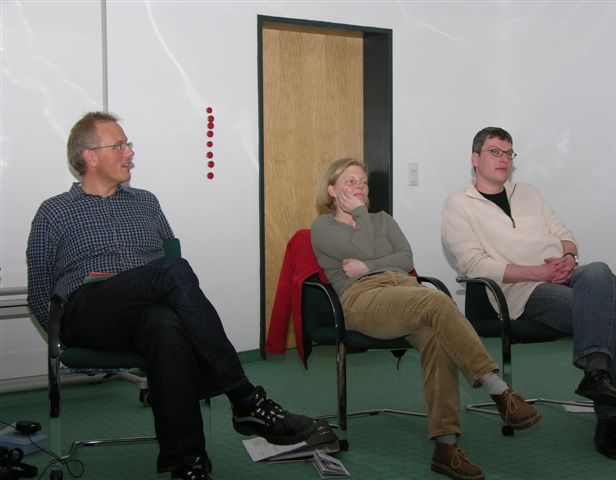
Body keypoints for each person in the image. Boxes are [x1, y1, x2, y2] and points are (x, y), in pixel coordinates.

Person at [26, 112, 318, 480]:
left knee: (164, 324)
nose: (130, 152)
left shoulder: (146, 202)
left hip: (143, 313)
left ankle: (187, 463)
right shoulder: (54, 211)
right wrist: (59, 336)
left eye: (128, 144)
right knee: (172, 270)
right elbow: (39, 290)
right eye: (119, 145)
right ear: (90, 156)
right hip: (86, 310)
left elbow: (166, 267)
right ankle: (245, 397)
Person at [310, 158, 541, 480]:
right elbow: (360, 248)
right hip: (360, 298)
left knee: (438, 339)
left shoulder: (383, 219)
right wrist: (361, 219)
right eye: (350, 182)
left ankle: (446, 448)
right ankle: (498, 389)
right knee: (435, 300)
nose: (359, 187)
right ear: (332, 190)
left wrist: (368, 265)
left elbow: (405, 260)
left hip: (404, 290)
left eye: (363, 181)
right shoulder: (323, 227)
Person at [442, 126, 616, 461]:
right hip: (519, 290)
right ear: (475, 158)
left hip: (562, 274)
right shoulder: (459, 205)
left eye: (508, 153)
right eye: (495, 152)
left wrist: (568, 258)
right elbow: (474, 264)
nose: (503, 159)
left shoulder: (529, 193)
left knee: (600, 273)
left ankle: (597, 375)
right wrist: (540, 273)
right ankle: (611, 415)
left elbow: (564, 233)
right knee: (597, 310)